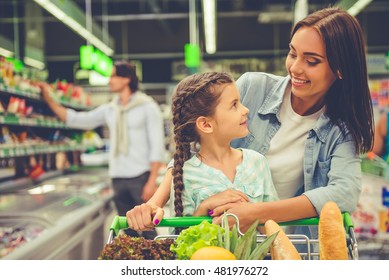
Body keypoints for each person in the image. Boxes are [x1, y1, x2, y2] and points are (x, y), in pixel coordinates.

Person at [126, 6, 374, 239]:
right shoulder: (253, 87)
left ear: (340, 69)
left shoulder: (340, 129)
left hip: (276, 242)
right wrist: (155, 203)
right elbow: (190, 148)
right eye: (292, 53)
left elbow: (344, 192)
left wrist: (256, 213)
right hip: (214, 234)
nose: (295, 68)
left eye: (312, 61)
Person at [126, 72, 278, 232]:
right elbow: (183, 241)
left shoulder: (257, 162)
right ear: (205, 124)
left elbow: (274, 227)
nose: (245, 110)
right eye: (234, 105)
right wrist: (204, 209)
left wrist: (253, 215)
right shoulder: (185, 175)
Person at [39, 60, 165, 240]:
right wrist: (49, 100)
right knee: (128, 229)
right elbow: (79, 119)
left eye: (113, 76)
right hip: (117, 177)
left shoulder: (147, 107)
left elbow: (157, 145)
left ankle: (154, 267)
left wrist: (152, 181)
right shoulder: (110, 109)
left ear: (126, 79)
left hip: (141, 177)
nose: (109, 80)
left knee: (148, 228)